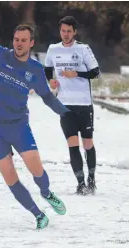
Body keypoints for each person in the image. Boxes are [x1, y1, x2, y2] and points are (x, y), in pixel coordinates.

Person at [0, 2, 68, 229]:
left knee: (35, 168)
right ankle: (38, 215)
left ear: (31, 43)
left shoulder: (35, 70)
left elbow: (47, 96)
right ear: (13, 40)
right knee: (10, 176)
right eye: (16, 39)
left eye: (24, 40)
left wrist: (65, 113)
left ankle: (46, 192)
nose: (19, 43)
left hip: (18, 125)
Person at [44, 16, 100, 195]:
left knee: (88, 143)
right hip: (65, 105)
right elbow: (47, 69)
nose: (66, 34)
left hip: (84, 104)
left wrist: (76, 73)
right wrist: (51, 80)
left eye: (69, 31)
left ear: (74, 32)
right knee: (72, 144)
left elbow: (95, 72)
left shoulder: (83, 49)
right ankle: (80, 183)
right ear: (59, 31)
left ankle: (91, 179)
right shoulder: (53, 49)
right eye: (63, 31)